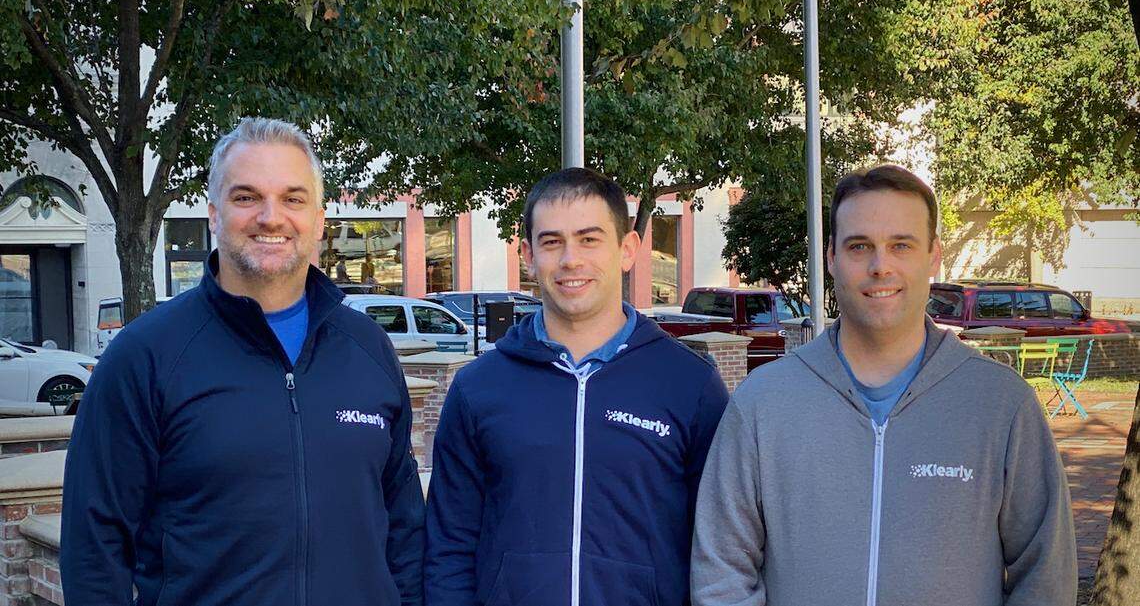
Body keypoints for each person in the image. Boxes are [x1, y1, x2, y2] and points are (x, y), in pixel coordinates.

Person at [61, 117, 424, 606]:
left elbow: (404, 526)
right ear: (214, 214)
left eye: (293, 199)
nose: (271, 217)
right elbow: (94, 544)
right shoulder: (145, 356)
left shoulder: (368, 349)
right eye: (247, 197)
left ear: (319, 220)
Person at [691, 164, 1076, 605]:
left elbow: (1046, 576)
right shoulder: (765, 402)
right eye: (860, 246)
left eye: (901, 246)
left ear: (933, 255)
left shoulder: (1000, 405)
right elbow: (721, 572)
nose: (880, 266)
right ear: (831, 257)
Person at [425, 168, 729, 606]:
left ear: (628, 249)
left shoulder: (690, 385)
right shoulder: (479, 388)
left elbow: (720, 551)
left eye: (589, 239)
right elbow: (449, 548)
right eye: (552, 242)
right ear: (528, 255)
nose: (570, 260)